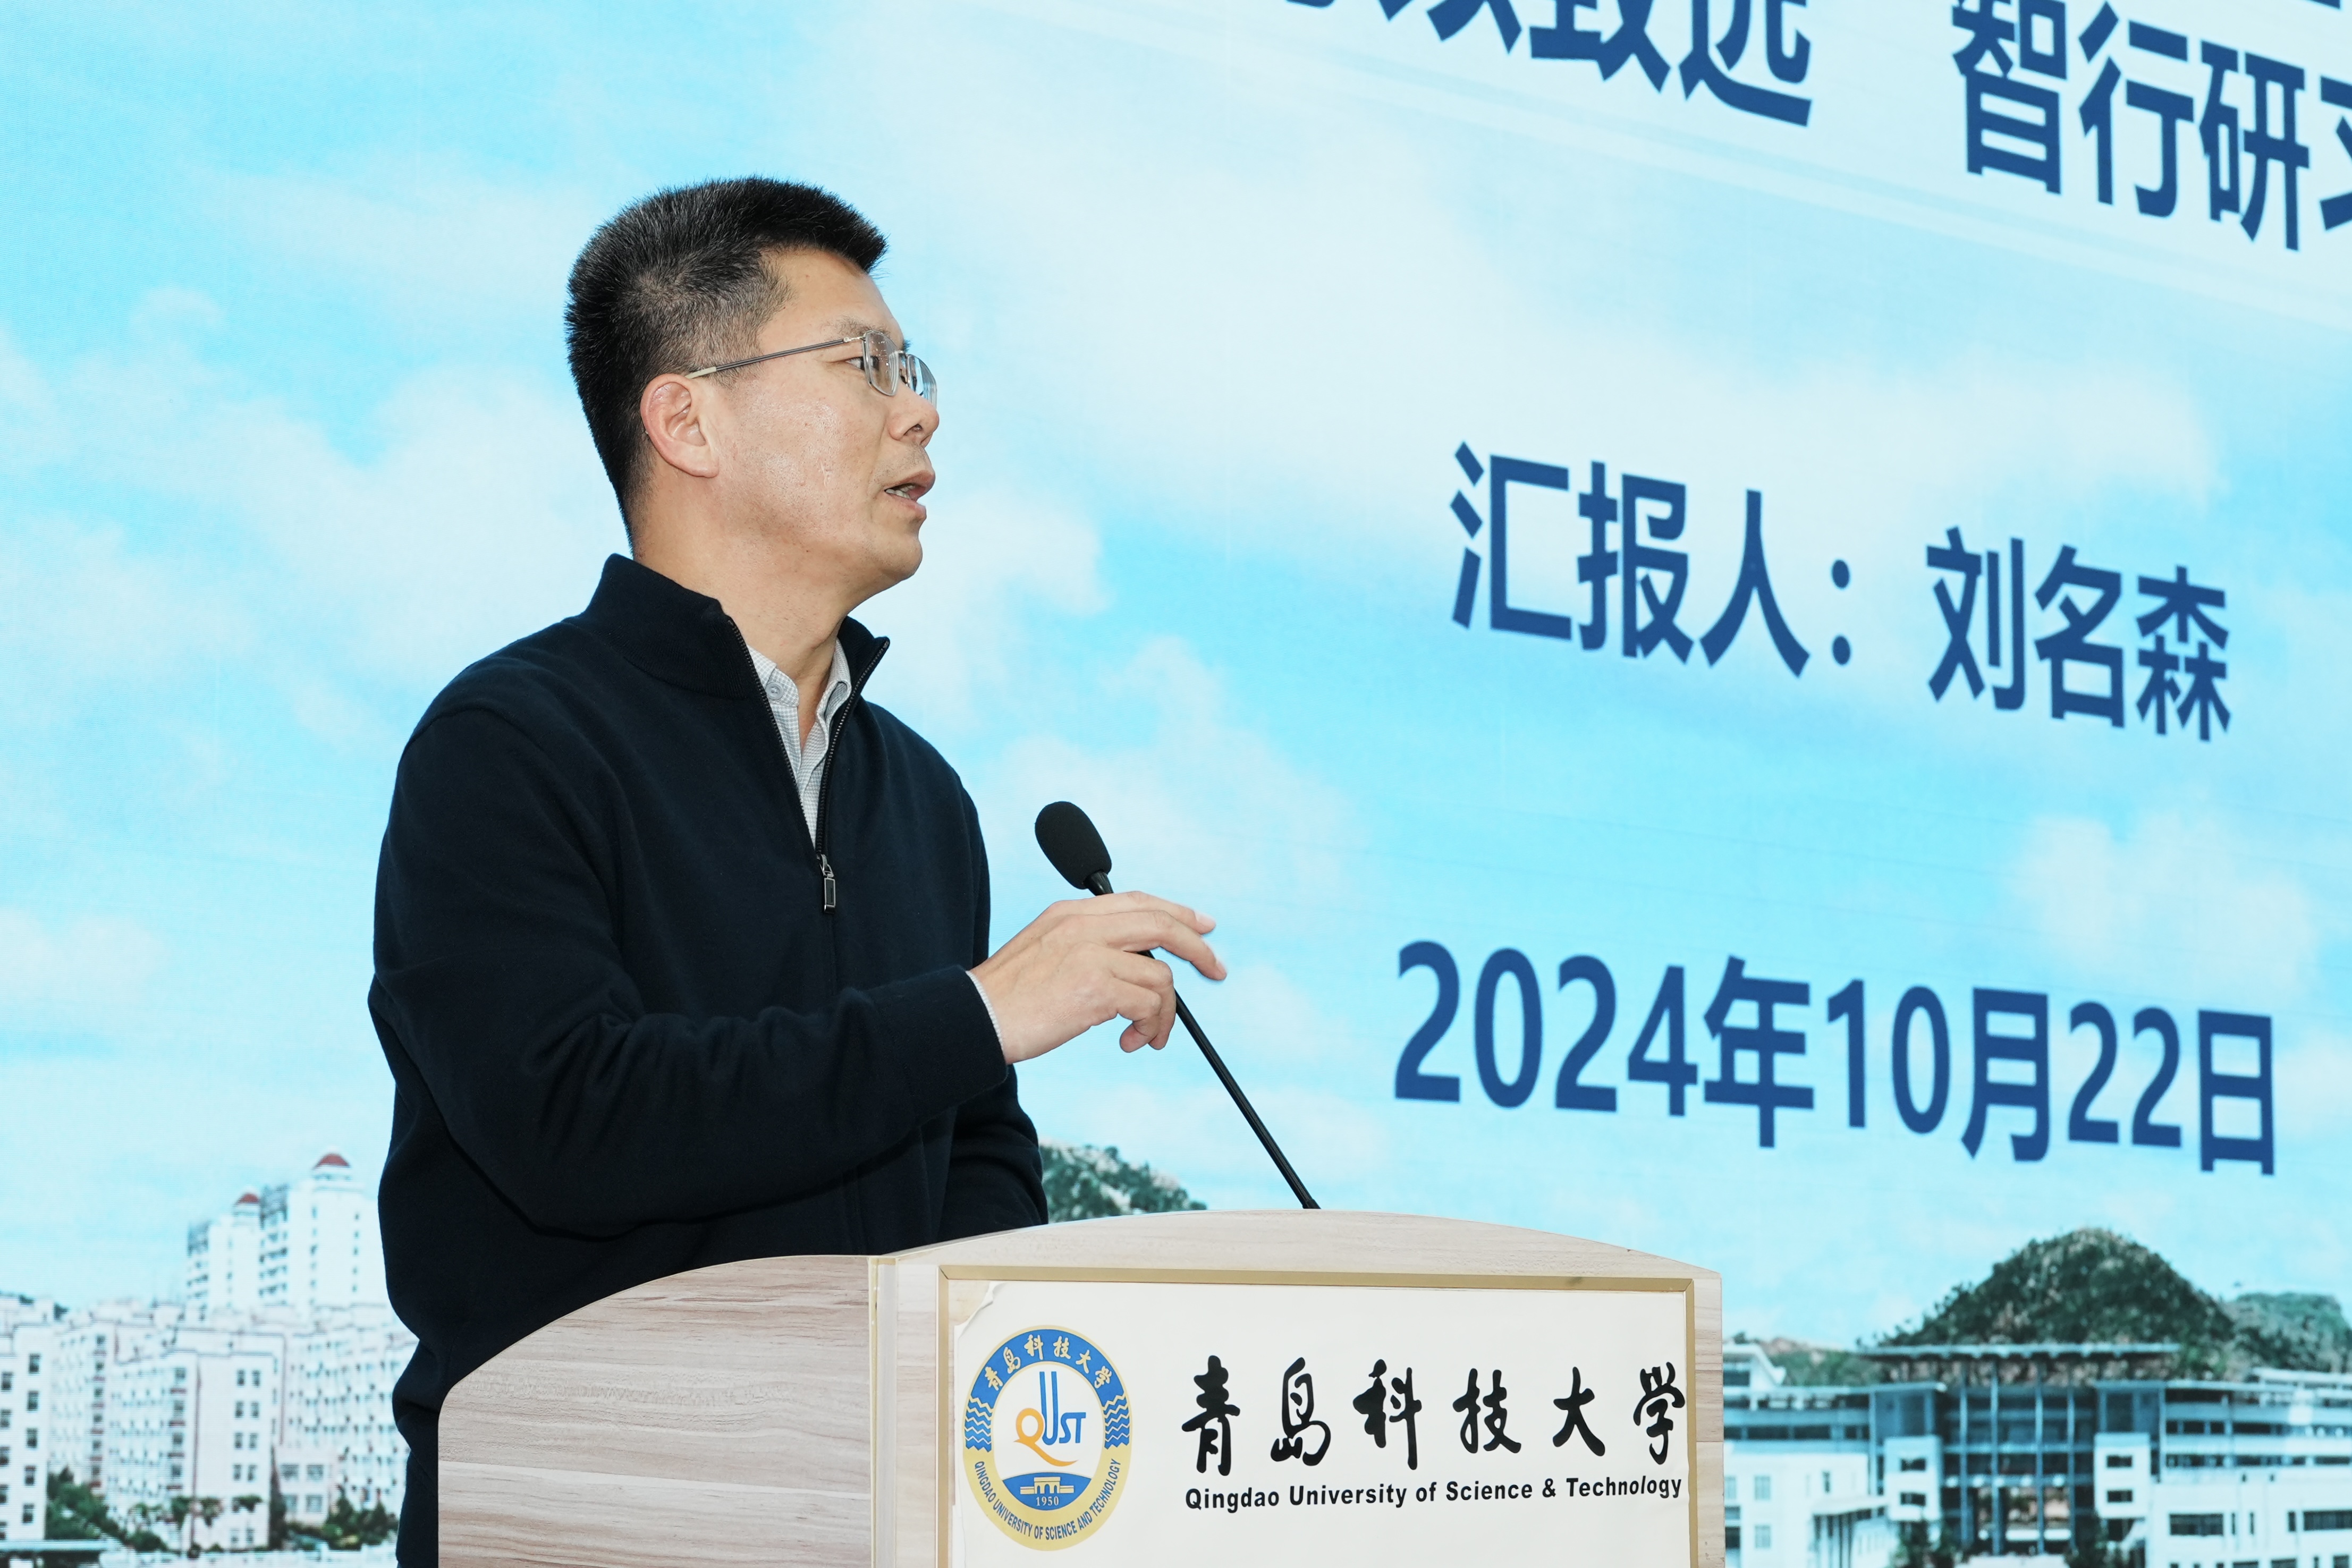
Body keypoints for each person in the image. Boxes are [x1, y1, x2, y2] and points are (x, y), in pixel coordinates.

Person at [368, 177, 1223, 1565]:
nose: (918, 413)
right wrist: (978, 1011)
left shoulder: (924, 798)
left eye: (913, 369)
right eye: (864, 365)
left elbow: (977, 1150)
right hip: (581, 1522)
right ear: (687, 421)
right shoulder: (511, 743)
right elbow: (568, 1119)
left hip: (869, 1520)